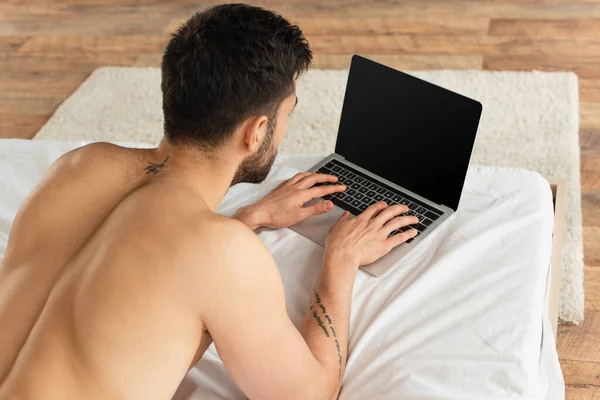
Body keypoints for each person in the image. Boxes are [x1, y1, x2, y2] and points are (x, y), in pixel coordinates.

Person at [0, 4, 418, 399]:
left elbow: (126, 265)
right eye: (288, 113)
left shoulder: (76, 167)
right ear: (256, 132)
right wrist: (340, 262)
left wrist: (247, 217)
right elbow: (309, 392)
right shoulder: (224, 255)